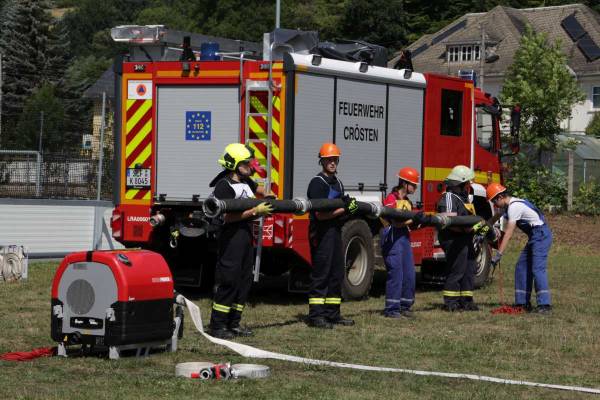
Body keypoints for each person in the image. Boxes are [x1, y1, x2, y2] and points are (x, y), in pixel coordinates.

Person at [208, 143, 273, 339]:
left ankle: (234, 323)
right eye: (246, 163)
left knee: (244, 280)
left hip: (245, 237)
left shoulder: (246, 181)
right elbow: (226, 217)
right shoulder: (224, 186)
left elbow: (258, 189)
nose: (250, 166)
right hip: (231, 238)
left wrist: (268, 196)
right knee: (229, 280)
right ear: (235, 165)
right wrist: (255, 211)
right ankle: (218, 326)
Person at [306, 142, 357, 329]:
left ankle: (333, 314)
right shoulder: (317, 183)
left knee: (337, 273)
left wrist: (349, 210)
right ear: (322, 161)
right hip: (321, 233)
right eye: (329, 160)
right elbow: (320, 215)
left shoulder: (338, 182)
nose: (333, 162)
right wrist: (343, 207)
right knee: (322, 274)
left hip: (335, 232)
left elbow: (338, 212)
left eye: (335, 159)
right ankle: (316, 316)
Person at [487, 183, 553, 314]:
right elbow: (492, 220)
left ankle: (544, 305)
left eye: (494, 202)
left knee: (537, 269)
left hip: (541, 235)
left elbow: (509, 232)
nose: (494, 205)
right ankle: (522, 303)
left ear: (500, 197)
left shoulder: (514, 207)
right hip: (535, 236)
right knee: (521, 267)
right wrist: (480, 231)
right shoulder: (507, 206)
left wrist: (499, 253)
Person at [381, 167, 427, 319]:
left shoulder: (406, 201)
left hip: (405, 239)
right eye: (413, 184)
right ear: (404, 183)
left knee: (409, 274)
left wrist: (419, 222)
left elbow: (408, 224)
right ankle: (391, 309)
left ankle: (405, 305)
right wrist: (413, 218)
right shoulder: (391, 199)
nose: (415, 187)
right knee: (396, 274)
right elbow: (394, 222)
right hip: (393, 239)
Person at [436, 165, 478, 312]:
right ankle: (451, 302)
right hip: (453, 238)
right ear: (460, 183)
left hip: (466, 238)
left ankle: (466, 301)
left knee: (470, 268)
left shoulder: (463, 198)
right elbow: (448, 222)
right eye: (467, 183)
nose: (469, 186)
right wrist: (465, 229)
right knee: (457, 269)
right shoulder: (449, 197)